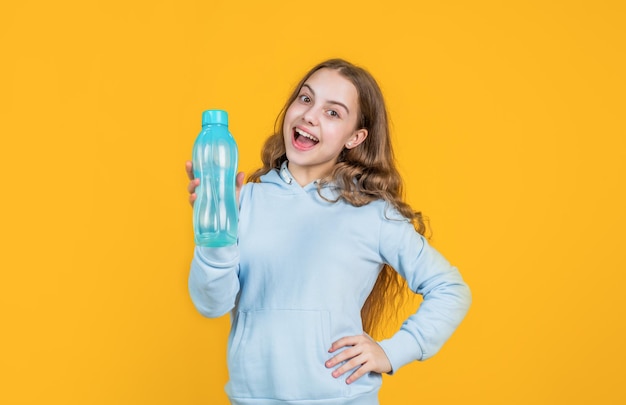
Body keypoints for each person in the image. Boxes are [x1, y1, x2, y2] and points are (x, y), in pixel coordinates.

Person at [185, 58, 471, 405]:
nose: (310, 115)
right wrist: (217, 230)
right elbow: (211, 305)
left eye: (333, 112)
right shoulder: (244, 201)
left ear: (355, 137)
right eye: (306, 99)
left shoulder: (371, 213)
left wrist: (391, 352)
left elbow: (450, 290)